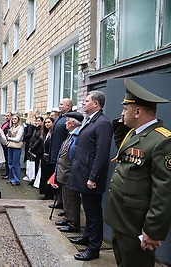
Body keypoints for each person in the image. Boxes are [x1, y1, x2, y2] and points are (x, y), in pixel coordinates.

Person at [104, 78, 171, 267]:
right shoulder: (133, 134)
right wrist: (123, 120)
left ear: (138, 111)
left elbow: (164, 191)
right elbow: (122, 149)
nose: (122, 113)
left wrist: (153, 230)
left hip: (136, 223)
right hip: (122, 218)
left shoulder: (162, 140)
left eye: (126, 109)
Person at [67, 91, 113, 261]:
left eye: (86, 101)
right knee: (87, 209)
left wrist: (93, 177)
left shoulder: (103, 123)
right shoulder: (91, 120)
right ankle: (87, 237)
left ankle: (93, 249)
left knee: (94, 214)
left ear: (96, 104)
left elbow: (101, 153)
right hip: (82, 174)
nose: (83, 103)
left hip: (90, 178)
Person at [54, 112, 83, 233]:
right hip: (63, 173)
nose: (65, 123)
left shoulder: (77, 136)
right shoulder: (70, 135)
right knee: (66, 198)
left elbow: (74, 156)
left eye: (67, 121)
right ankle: (67, 217)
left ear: (73, 123)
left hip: (69, 174)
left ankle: (73, 223)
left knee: (72, 200)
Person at [49, 98, 73, 209]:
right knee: (58, 179)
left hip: (64, 155)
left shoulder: (71, 118)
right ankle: (59, 201)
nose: (59, 106)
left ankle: (64, 204)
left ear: (68, 106)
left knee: (63, 181)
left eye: (61, 104)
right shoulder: (60, 117)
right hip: (56, 152)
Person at [39, 117, 56, 199]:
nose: (47, 124)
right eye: (45, 122)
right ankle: (45, 192)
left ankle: (50, 194)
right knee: (44, 176)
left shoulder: (54, 134)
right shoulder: (45, 134)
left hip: (50, 158)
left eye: (49, 122)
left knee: (49, 176)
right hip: (44, 158)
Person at [6, 114, 24, 186]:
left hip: (16, 147)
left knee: (15, 164)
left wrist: (9, 138)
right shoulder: (12, 127)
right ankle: (11, 178)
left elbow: (17, 139)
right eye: (13, 119)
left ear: (18, 120)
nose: (14, 120)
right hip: (10, 146)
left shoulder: (21, 128)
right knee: (10, 163)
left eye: (15, 119)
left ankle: (16, 180)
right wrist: (9, 135)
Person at [28, 116, 44, 185]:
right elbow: (32, 138)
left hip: (38, 150)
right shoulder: (36, 129)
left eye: (39, 121)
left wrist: (32, 148)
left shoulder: (41, 130)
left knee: (37, 166)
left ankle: (36, 180)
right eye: (36, 121)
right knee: (33, 166)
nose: (37, 122)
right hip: (33, 150)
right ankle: (33, 179)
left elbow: (39, 141)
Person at [1, 112, 12, 179]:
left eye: (8, 116)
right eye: (6, 116)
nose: (7, 117)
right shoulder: (5, 124)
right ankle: (7, 172)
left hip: (9, 143)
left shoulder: (11, 124)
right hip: (4, 143)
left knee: (8, 159)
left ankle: (9, 174)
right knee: (6, 159)